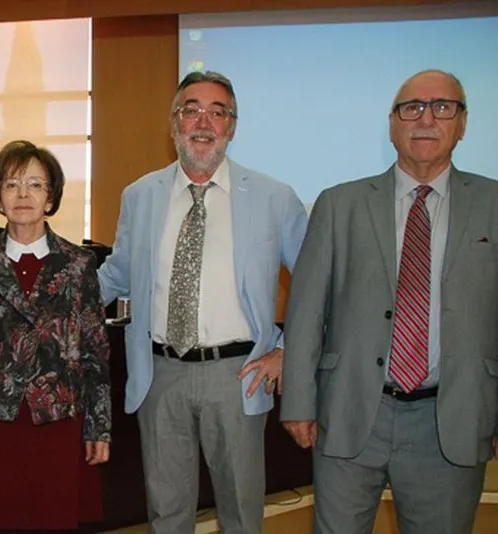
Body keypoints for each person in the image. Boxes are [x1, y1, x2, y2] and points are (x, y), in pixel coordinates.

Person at [280, 69, 498, 534]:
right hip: (351, 410)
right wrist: (298, 400)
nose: (426, 119)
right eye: (411, 108)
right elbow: (305, 311)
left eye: (443, 107)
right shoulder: (340, 204)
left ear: (462, 123)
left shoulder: (493, 204)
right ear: (392, 123)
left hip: (453, 419)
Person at [95, 71, 308, 534]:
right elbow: (117, 273)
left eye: (218, 111)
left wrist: (287, 349)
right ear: (174, 123)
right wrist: (55, 300)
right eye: (191, 109)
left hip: (237, 376)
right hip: (160, 375)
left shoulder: (275, 197)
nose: (203, 121)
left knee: (240, 512)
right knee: (167, 513)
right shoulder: (140, 195)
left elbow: (316, 285)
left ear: (232, 126)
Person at [0, 139, 111, 532]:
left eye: (35, 184)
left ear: (51, 198)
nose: (23, 194)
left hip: (58, 423)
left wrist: (99, 427)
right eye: (11, 184)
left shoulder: (79, 263)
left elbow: (95, 353)